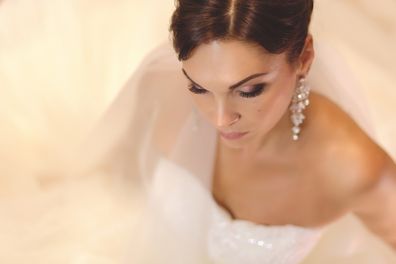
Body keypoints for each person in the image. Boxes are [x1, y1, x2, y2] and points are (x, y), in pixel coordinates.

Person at [68, 0, 396, 263]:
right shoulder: (161, 83)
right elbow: (122, 159)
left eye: (250, 90)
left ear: (305, 58)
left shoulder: (354, 170)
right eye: (198, 87)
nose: (221, 119)